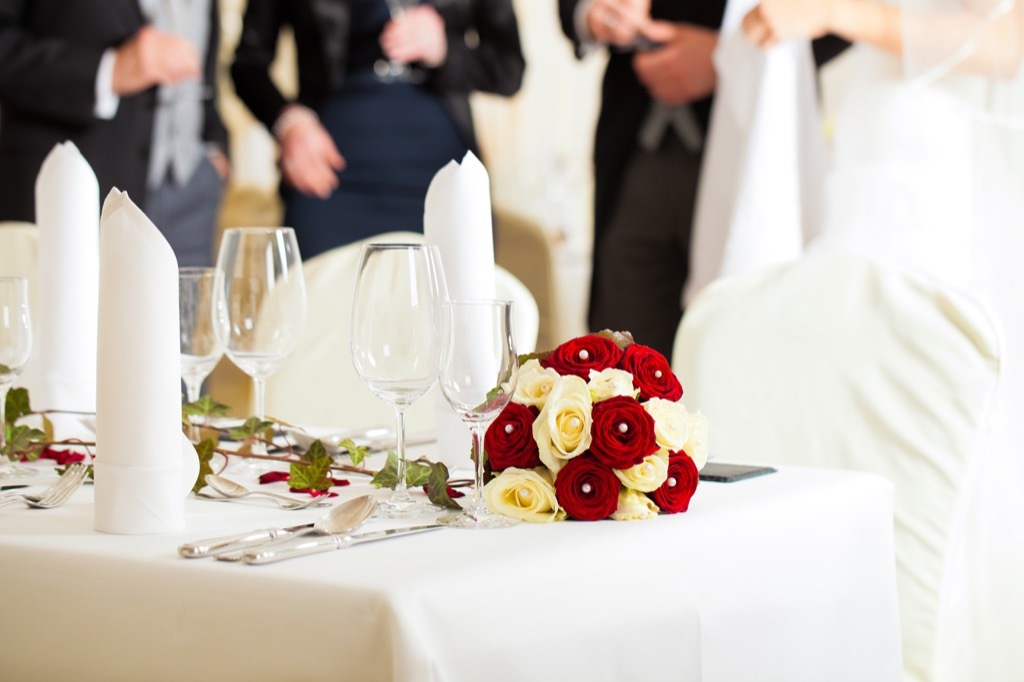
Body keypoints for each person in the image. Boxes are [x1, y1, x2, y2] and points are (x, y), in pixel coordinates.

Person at [723, 0, 1024, 678]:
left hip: (935, 213)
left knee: (928, 452)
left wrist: (831, 12)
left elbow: (1008, 40)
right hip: (862, 184)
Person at [557, 0, 845, 358]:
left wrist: (728, 56)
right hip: (634, 148)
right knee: (619, 366)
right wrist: (594, 12)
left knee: (736, 351)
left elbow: (851, 14)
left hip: (754, 143)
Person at [230, 0, 525, 261]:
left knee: (451, 315)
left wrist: (445, 50)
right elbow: (247, 63)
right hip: (328, 175)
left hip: (440, 176)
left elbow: (510, 69)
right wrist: (288, 122)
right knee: (317, 314)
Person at [0, 0, 229, 267]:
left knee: (192, 307)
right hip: (75, 192)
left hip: (191, 193)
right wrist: (108, 71)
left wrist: (215, 145)